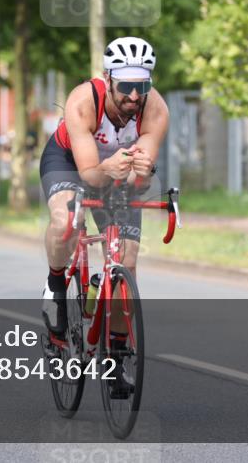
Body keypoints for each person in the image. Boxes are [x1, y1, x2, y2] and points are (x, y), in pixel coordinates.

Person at [39, 36, 169, 393]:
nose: (134, 96)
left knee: (127, 258)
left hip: (116, 171)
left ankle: (118, 356)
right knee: (67, 221)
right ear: (108, 78)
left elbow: (140, 181)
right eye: (126, 86)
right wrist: (108, 169)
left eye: (142, 86)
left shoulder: (155, 109)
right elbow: (90, 176)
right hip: (71, 163)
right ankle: (55, 284)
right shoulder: (83, 101)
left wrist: (141, 173)